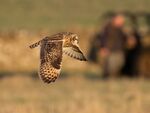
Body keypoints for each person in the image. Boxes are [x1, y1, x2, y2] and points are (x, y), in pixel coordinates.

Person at [98, 14, 127, 78]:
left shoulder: (120, 29)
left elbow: (123, 38)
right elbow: (102, 38)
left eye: (122, 22)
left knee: (120, 63)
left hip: (119, 50)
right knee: (111, 66)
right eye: (121, 21)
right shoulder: (108, 28)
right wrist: (103, 48)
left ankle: (113, 77)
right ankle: (108, 78)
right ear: (115, 20)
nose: (122, 23)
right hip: (110, 50)